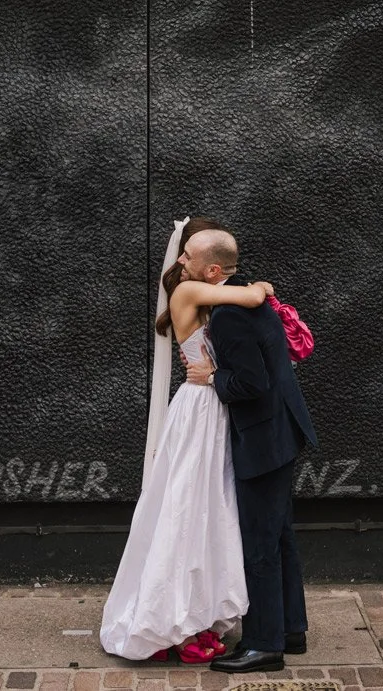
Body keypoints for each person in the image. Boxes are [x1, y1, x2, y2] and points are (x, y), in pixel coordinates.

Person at [99, 217, 275, 663]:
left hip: (212, 403)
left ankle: (196, 614)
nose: (179, 258)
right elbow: (253, 294)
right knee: (187, 507)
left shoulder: (197, 291)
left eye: (187, 252)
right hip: (200, 407)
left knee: (208, 509)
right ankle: (170, 618)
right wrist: (265, 286)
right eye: (181, 252)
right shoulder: (186, 291)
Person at [182, 228, 318, 674]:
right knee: (280, 536)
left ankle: (263, 645)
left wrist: (211, 379)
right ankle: (290, 630)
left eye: (188, 258)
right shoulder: (244, 293)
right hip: (282, 430)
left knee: (259, 543)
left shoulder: (228, 316)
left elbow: (250, 384)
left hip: (262, 437)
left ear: (212, 270)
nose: (181, 264)